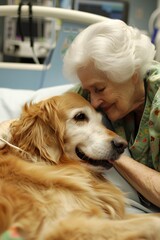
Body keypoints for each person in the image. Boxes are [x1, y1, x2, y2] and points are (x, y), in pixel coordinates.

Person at [63, 19, 160, 210]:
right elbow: (48, 112)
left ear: (132, 73)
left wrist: (111, 151)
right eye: (89, 91)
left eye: (99, 89)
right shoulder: (96, 89)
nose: (93, 101)